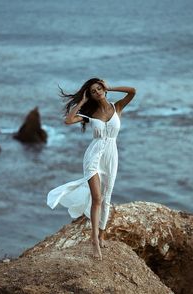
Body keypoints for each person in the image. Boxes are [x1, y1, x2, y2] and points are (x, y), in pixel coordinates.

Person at [47, 78, 136, 260]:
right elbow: (69, 120)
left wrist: (111, 86)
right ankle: (94, 240)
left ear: (103, 88)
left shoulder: (117, 107)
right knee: (97, 198)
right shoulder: (90, 112)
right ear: (91, 95)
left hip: (111, 157)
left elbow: (132, 91)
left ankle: (102, 234)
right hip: (93, 156)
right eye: (93, 91)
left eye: (99, 89)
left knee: (106, 198)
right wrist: (82, 101)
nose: (97, 92)